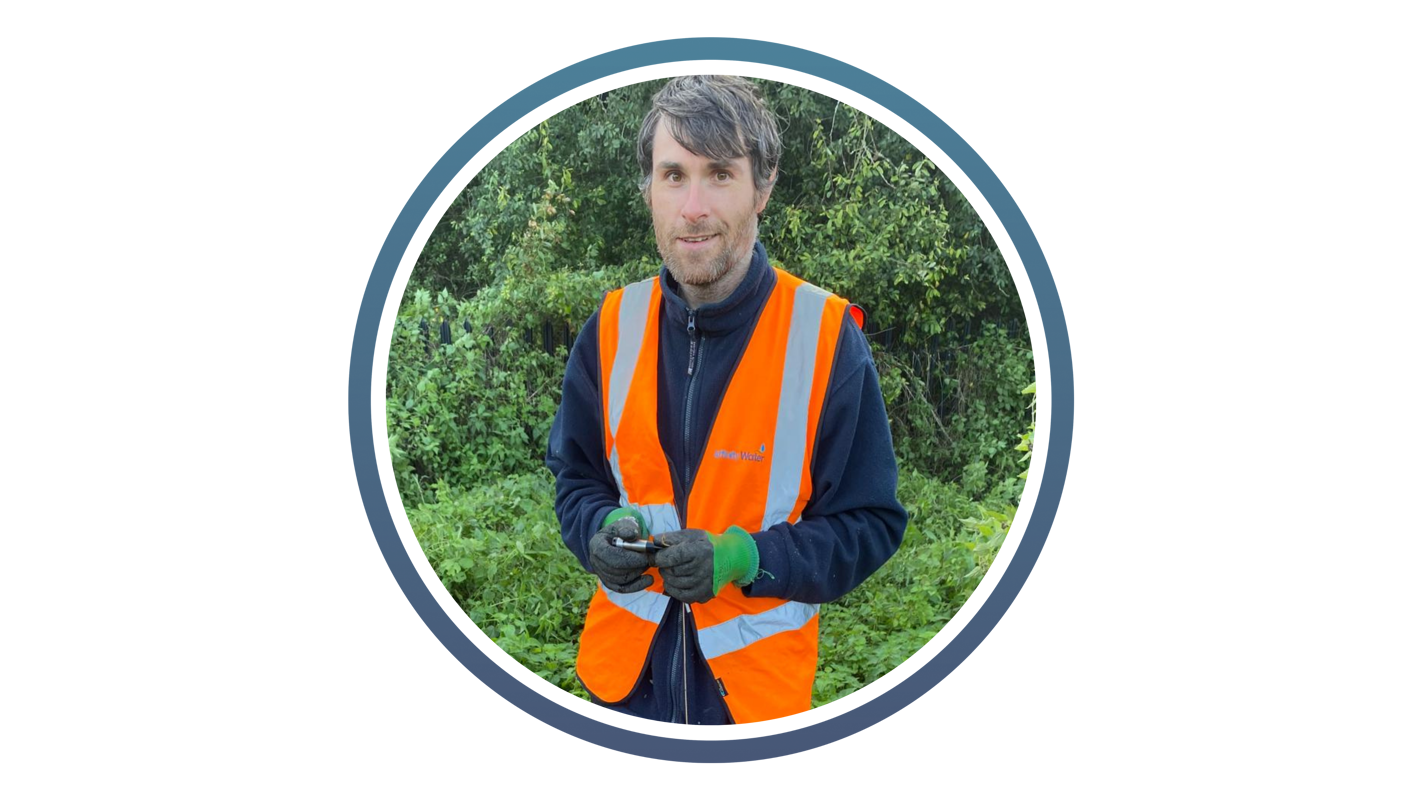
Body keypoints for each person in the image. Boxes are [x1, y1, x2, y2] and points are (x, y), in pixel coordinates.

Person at [545, 73, 907, 727]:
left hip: (750, 704)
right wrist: (597, 528)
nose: (693, 207)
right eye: (673, 175)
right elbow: (576, 480)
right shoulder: (611, 327)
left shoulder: (825, 337)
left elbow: (871, 524)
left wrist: (748, 559)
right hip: (622, 688)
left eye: (719, 174)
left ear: (762, 188)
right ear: (648, 189)